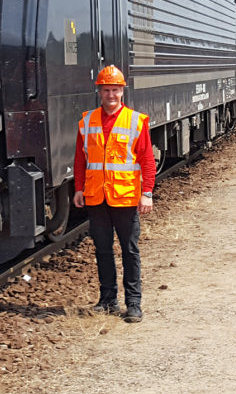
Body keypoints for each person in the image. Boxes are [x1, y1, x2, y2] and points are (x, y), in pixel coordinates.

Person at [73, 65, 155, 323]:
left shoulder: (135, 121)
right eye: (106, 90)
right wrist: (78, 188)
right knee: (102, 250)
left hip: (125, 196)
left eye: (115, 90)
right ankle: (107, 300)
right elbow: (80, 160)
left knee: (129, 250)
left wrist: (147, 193)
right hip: (97, 196)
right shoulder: (87, 121)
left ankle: (133, 303)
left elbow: (147, 160)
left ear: (122, 92)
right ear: (99, 91)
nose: (111, 95)